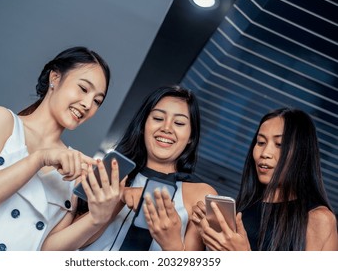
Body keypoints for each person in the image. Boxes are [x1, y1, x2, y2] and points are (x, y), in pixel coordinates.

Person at [0, 46, 121, 251]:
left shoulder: (75, 168)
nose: (87, 104)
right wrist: (39, 159)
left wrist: (97, 218)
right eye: (83, 89)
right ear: (55, 78)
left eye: (97, 101)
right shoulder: (2, 121)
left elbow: (46, 253)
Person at [75, 85, 218, 251]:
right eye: (158, 118)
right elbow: (68, 243)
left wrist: (172, 244)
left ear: (191, 137)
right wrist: (118, 198)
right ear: (143, 126)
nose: (167, 128)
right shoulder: (112, 172)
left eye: (179, 123)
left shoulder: (201, 195)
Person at [192, 108, 338, 251]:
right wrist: (211, 242)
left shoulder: (318, 219)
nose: (265, 153)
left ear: (302, 152)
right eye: (261, 142)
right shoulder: (241, 209)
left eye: (279, 144)